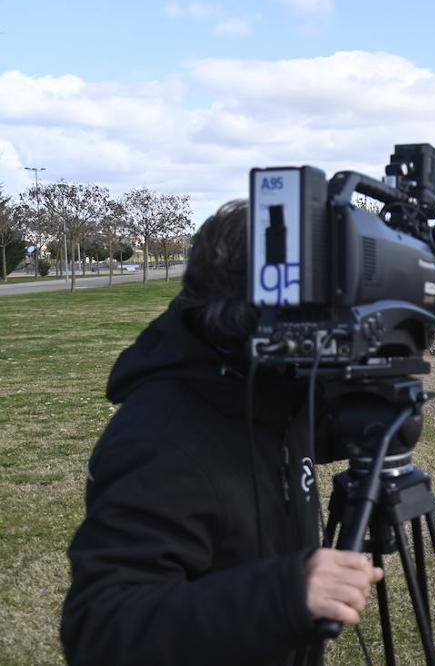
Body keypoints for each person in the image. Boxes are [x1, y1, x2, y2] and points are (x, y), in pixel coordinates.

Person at [61, 200, 382, 666]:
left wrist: (374, 418)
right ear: (270, 314)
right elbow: (101, 630)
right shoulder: (160, 442)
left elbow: (275, 447)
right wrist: (281, 595)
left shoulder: (263, 383)